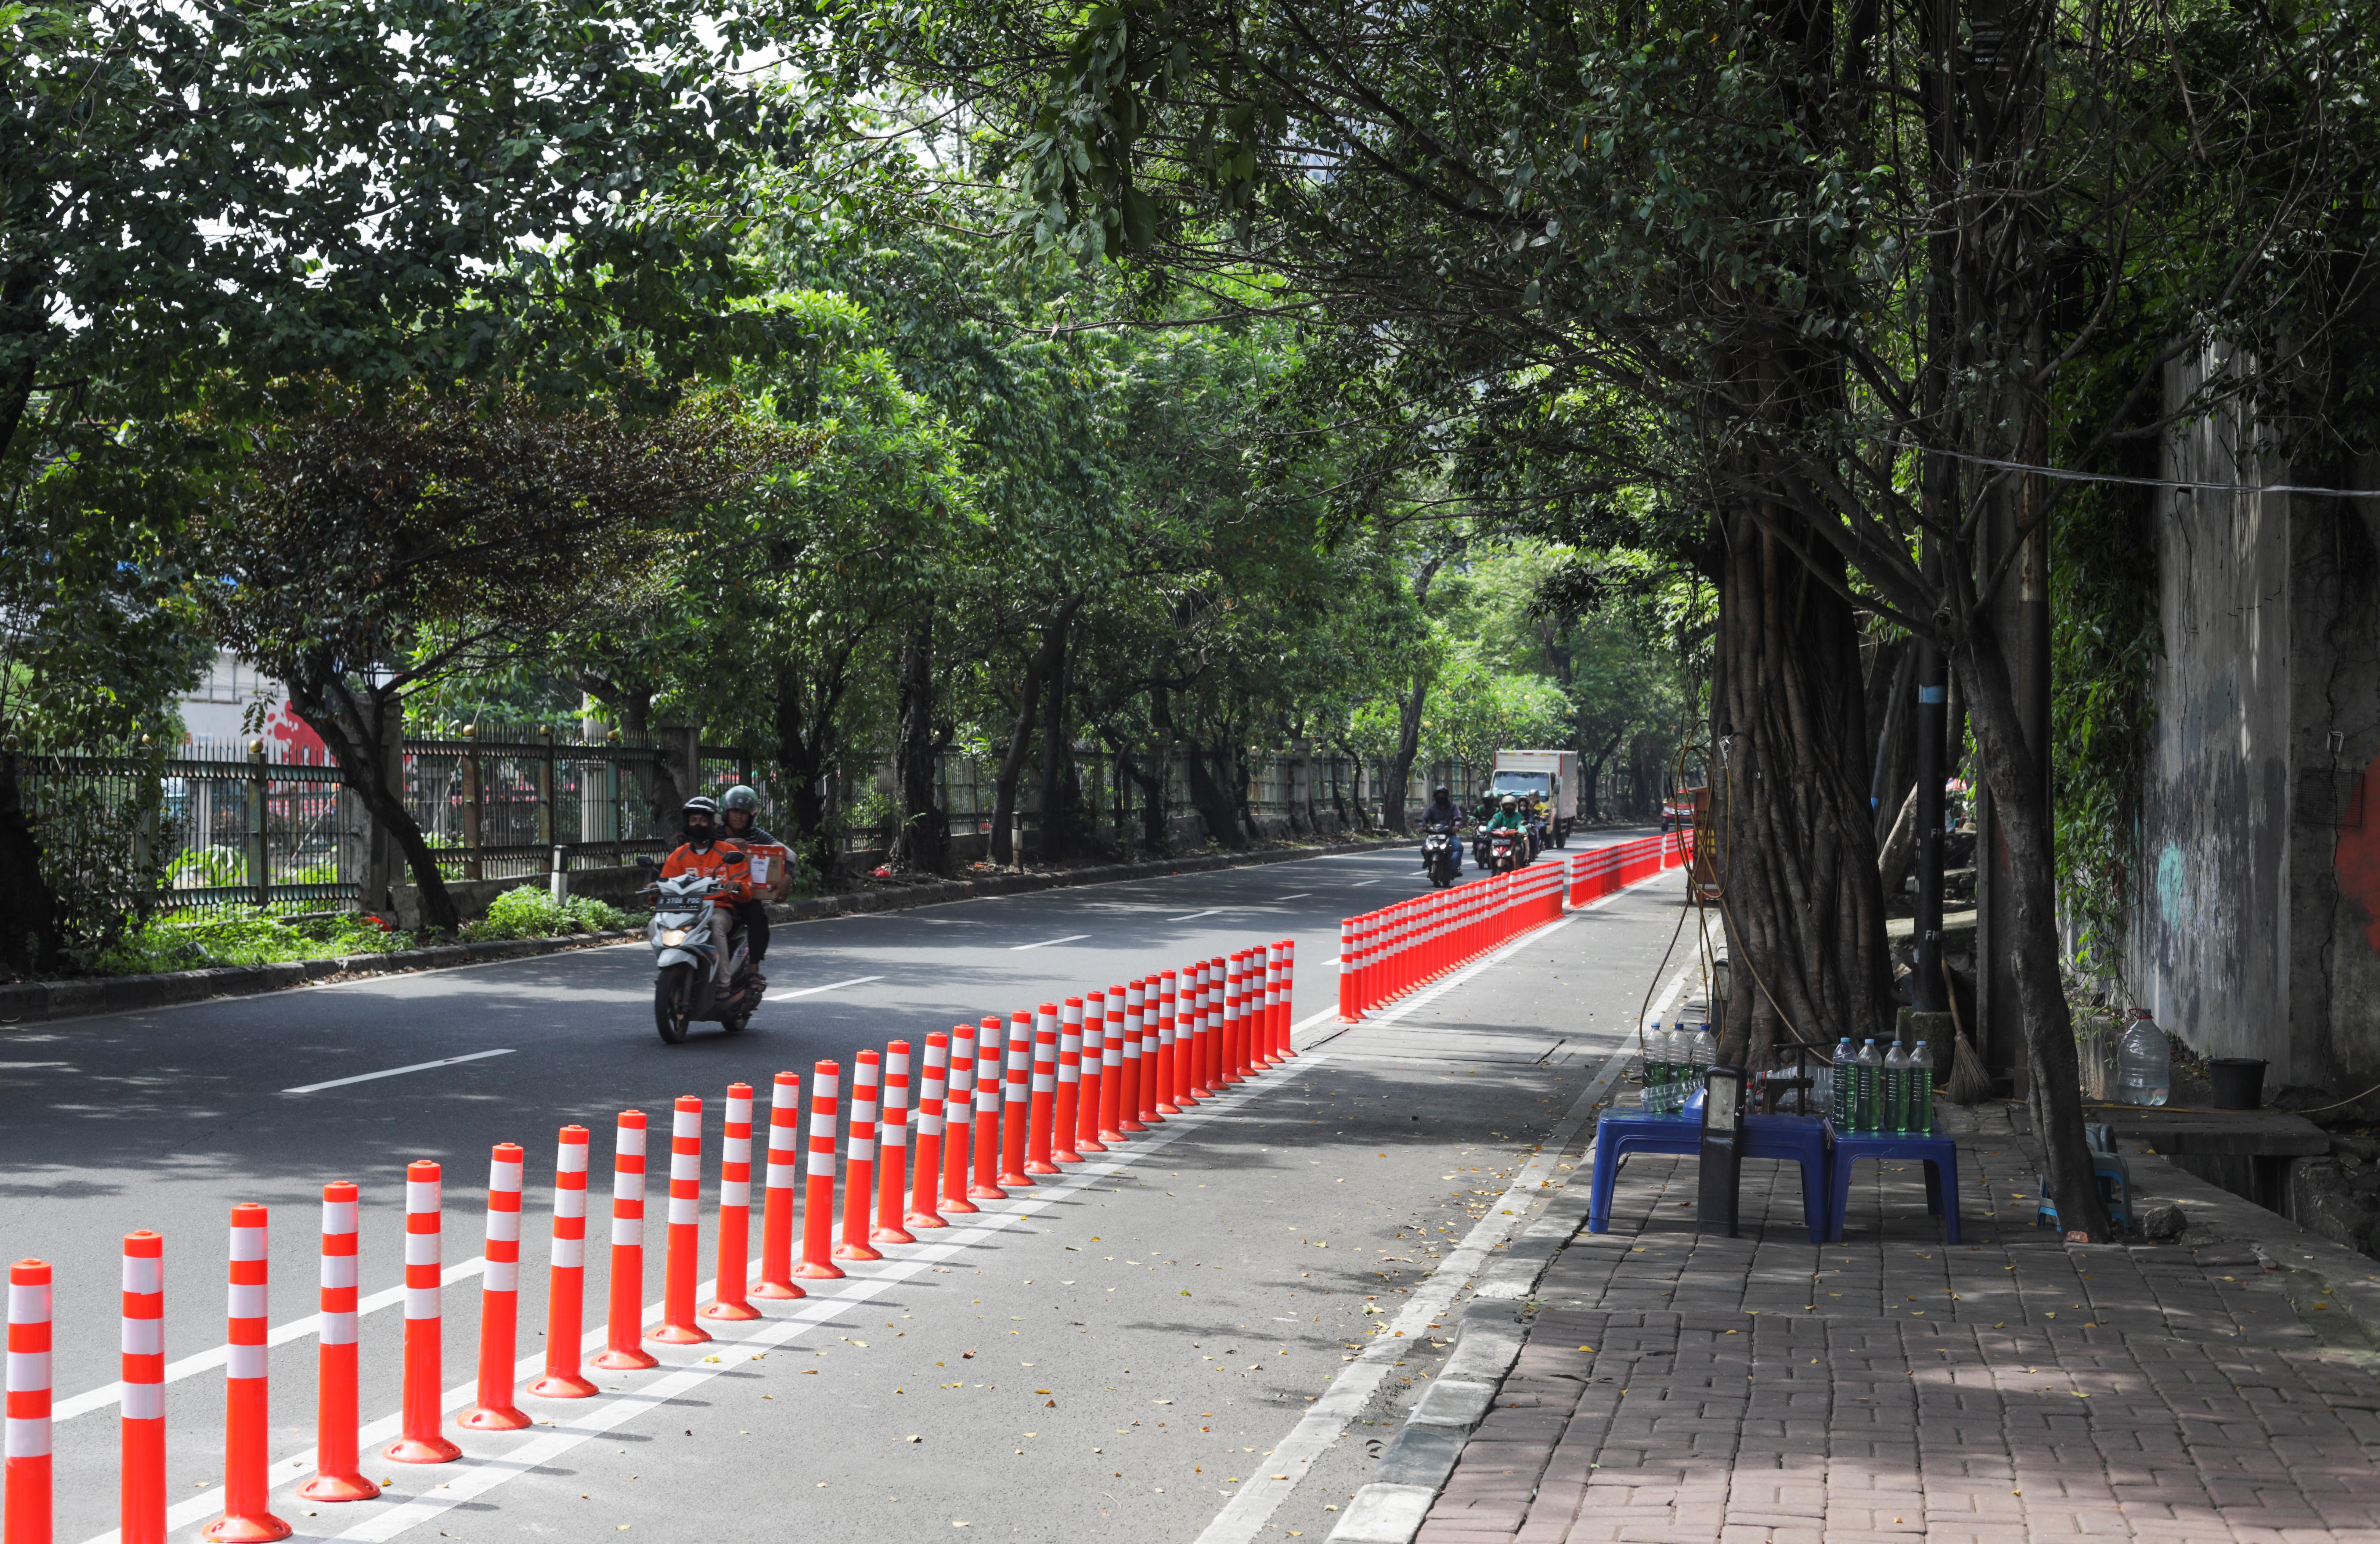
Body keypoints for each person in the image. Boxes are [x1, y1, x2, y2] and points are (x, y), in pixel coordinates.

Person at [659, 796, 751, 984]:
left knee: (717, 924)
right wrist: (656, 889)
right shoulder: (678, 856)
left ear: (712, 823)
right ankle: (667, 970)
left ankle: (724, 982)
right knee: (655, 925)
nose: (698, 825)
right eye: (693, 820)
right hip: (684, 911)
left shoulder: (728, 851)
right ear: (687, 823)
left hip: (718, 909)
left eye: (703, 820)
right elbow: (665, 885)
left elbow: (746, 888)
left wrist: (737, 886)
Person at [718, 784, 787, 985]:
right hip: (716, 897)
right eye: (735, 812)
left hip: (744, 895)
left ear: (751, 816)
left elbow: (787, 854)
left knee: (758, 916)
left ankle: (754, 969)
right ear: (726, 813)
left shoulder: (758, 836)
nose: (739, 817)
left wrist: (787, 875)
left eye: (744, 813)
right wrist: (728, 844)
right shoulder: (715, 835)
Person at [1419, 786, 1463, 873]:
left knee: (1459, 848)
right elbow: (1424, 818)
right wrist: (1421, 827)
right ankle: (1427, 861)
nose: (1441, 797)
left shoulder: (1454, 807)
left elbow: (1459, 817)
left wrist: (1457, 827)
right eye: (1439, 796)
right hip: (1433, 835)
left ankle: (1454, 867)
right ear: (1435, 797)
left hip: (1449, 834)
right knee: (1424, 849)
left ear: (1446, 796)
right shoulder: (1432, 808)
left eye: (1443, 795)